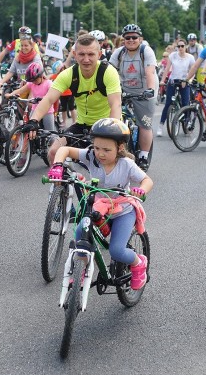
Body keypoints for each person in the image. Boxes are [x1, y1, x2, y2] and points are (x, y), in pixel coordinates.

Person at [47, 117, 153, 289]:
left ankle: (138, 262)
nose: (100, 153)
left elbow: (147, 180)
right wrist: (57, 165)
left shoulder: (126, 164)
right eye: (97, 148)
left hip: (122, 212)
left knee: (116, 251)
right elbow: (64, 149)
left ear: (120, 148)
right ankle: (81, 269)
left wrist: (141, 190)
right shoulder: (91, 156)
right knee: (81, 235)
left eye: (106, 149)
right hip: (99, 209)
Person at [19, 33, 122, 163]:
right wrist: (33, 120)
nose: (86, 59)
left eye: (91, 54)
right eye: (81, 54)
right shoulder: (68, 74)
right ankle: (65, 183)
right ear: (74, 54)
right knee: (54, 152)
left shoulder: (108, 72)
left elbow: (116, 104)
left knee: (112, 161)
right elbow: (49, 99)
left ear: (99, 54)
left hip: (107, 124)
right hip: (82, 125)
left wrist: (111, 131)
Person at [109, 24, 158, 170]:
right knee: (113, 119)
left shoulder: (146, 51)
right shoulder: (119, 53)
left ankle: (143, 156)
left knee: (144, 124)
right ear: (123, 39)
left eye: (134, 37)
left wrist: (149, 90)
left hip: (145, 91)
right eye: (127, 37)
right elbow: (109, 71)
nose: (131, 40)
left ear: (140, 39)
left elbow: (150, 72)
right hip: (123, 90)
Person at [157, 38, 194, 136]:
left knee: (186, 103)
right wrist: (162, 80)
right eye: (179, 46)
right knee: (168, 103)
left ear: (185, 46)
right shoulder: (172, 56)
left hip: (184, 81)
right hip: (173, 80)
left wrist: (188, 80)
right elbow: (167, 69)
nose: (180, 48)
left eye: (182, 46)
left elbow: (192, 71)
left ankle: (187, 121)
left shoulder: (190, 57)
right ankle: (161, 125)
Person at [6, 63, 56, 131]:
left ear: (41, 76)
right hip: (35, 110)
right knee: (31, 128)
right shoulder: (31, 83)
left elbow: (53, 96)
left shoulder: (48, 83)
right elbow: (21, 90)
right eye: (32, 80)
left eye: (35, 80)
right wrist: (11, 94)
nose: (34, 82)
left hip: (47, 111)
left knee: (50, 134)